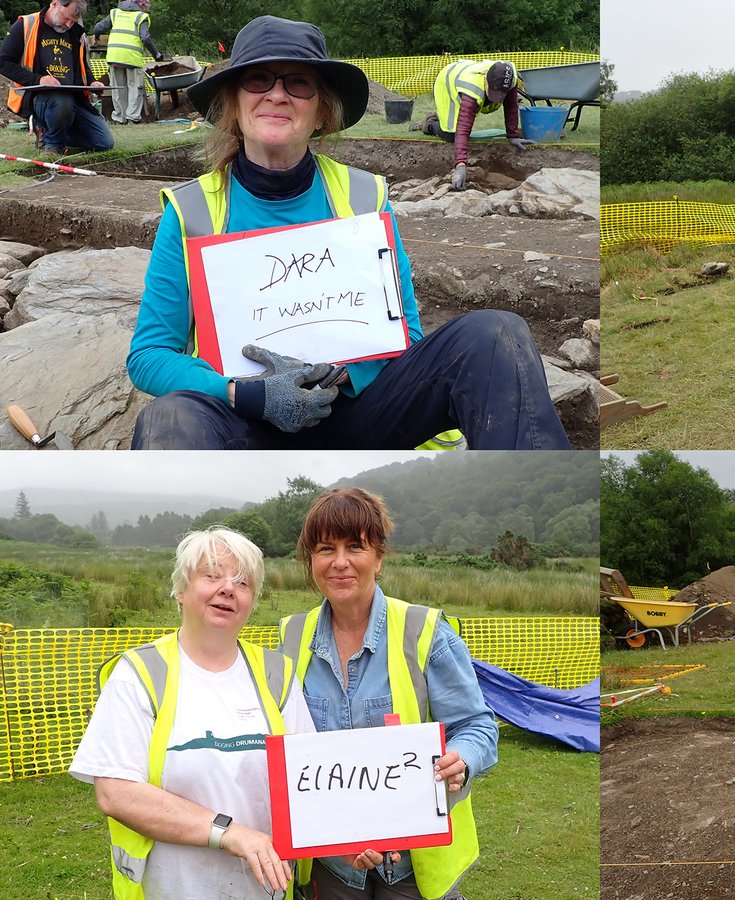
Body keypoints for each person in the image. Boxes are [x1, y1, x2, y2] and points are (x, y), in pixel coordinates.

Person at [127, 16, 570, 450]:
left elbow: (407, 338)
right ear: (232, 107)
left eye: (298, 83)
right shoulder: (190, 211)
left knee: (495, 334)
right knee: (170, 416)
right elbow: (149, 355)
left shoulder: (364, 196)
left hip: (358, 417)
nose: (277, 95)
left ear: (322, 112)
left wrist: (339, 375)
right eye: (258, 80)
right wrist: (246, 394)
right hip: (248, 425)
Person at [69, 527, 315, 899]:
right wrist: (229, 833)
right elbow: (116, 793)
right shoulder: (139, 674)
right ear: (180, 590)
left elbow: (311, 780)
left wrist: (355, 840)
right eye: (212, 575)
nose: (229, 588)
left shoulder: (277, 674)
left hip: (264, 891)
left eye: (243, 582)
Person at [278, 487, 498, 899]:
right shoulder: (291, 636)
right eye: (326, 548)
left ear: (378, 557)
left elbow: (477, 726)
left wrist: (463, 759)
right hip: (330, 863)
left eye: (355, 547)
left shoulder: (426, 631)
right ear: (311, 561)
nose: (340, 562)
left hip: (415, 865)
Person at [0, 0, 115, 156]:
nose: (68, 24)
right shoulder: (26, 25)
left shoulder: (76, 32)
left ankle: (52, 131)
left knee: (104, 143)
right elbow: (3, 62)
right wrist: (38, 80)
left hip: (73, 98)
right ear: (54, 4)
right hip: (40, 98)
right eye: (65, 18)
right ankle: (53, 146)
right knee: (61, 101)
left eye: (73, 21)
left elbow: (81, 65)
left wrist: (92, 81)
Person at [428, 58, 534, 190]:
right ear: (485, 80)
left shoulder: (510, 77)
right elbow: (463, 129)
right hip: (447, 82)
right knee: (451, 134)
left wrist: (513, 135)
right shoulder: (471, 89)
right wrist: (460, 165)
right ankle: (430, 123)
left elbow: (511, 105)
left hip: (467, 72)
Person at [92, 0, 165, 125]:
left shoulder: (115, 13)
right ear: (142, 4)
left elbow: (98, 27)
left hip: (115, 56)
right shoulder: (141, 16)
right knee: (135, 87)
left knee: (118, 88)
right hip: (132, 58)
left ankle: (120, 118)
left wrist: (97, 37)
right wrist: (157, 55)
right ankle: (133, 117)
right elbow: (145, 38)